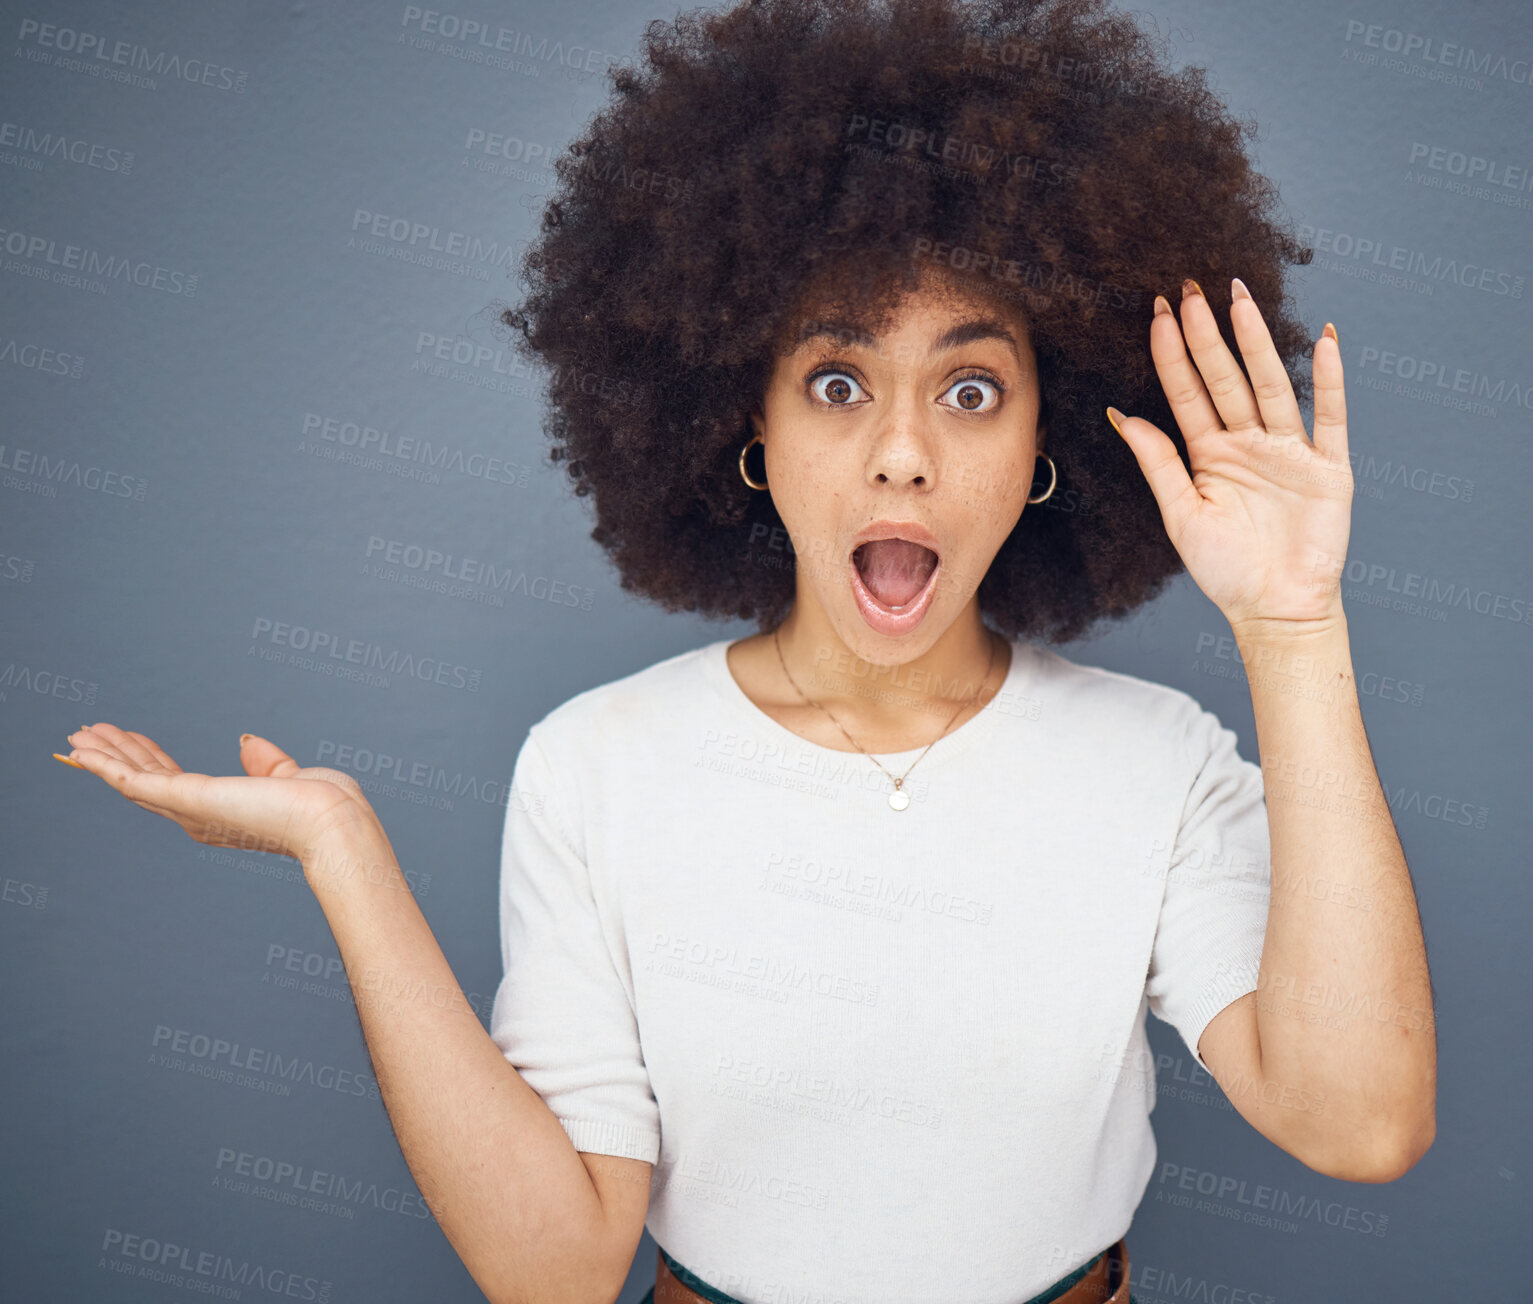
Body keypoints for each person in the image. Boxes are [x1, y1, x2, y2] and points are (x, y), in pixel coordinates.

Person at [54, 0, 1436, 1301]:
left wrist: (1288, 622)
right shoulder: (594, 765)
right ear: (751, 431)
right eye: (836, 383)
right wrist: (340, 850)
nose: (901, 453)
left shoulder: (1160, 764)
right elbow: (556, 1271)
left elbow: (1359, 1124)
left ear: (1044, 448)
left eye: (971, 388)